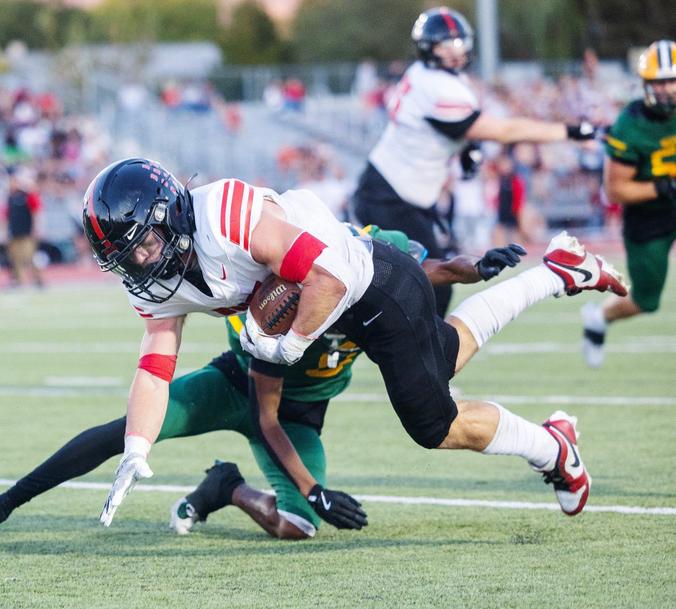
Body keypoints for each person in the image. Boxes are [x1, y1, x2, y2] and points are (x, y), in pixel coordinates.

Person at [73, 158, 626, 530]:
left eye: (142, 243)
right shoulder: (164, 275)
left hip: (369, 288)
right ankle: (560, 272)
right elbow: (155, 361)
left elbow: (330, 277)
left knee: (433, 424)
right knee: (447, 357)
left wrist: (288, 345)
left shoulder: (228, 221)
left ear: (169, 214)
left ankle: (556, 449)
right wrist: (138, 446)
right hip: (346, 301)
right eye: (125, 256)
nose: (139, 262)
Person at [0, 229, 527, 538]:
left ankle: (227, 489)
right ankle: (2, 504)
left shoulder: (381, 277)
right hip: (240, 381)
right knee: (131, 434)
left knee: (300, 526)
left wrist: (478, 266)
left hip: (298, 414)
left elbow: (431, 268)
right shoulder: (290, 269)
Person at [352, 6, 603, 315]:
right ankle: (410, 354)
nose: (456, 51)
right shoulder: (440, 87)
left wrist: (465, 146)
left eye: (459, 43)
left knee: (423, 286)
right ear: (428, 46)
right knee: (428, 286)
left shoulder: (426, 76)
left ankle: (413, 349)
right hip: (390, 198)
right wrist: (571, 131)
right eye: (446, 44)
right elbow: (505, 130)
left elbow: (439, 128)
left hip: (397, 194)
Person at [581, 40, 676, 368]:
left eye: (672, 80)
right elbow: (616, 191)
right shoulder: (630, 123)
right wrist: (663, 187)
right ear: (646, 84)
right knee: (645, 300)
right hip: (649, 216)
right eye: (660, 82)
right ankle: (600, 316)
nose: (667, 89)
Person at [6, 167, 44, 288]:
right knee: (15, 258)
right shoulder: (10, 197)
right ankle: (18, 281)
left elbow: (36, 212)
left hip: (27, 232)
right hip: (14, 232)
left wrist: (36, 228)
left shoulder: (28, 195)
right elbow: (7, 216)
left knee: (30, 257)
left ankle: (38, 279)